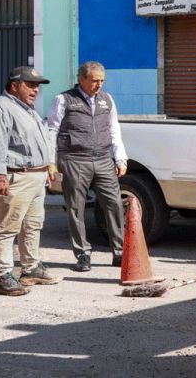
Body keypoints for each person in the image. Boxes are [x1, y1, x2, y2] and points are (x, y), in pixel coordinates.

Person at [0, 66, 62, 296]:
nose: (35, 90)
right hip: (13, 177)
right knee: (5, 228)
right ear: (14, 86)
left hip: (34, 177)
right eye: (30, 84)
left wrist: (48, 165)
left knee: (32, 225)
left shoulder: (28, 110)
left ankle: (31, 268)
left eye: (37, 86)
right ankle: (2, 275)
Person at [46, 61, 127, 272]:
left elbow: (114, 129)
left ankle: (119, 252)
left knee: (114, 204)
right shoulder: (63, 99)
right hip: (74, 159)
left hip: (102, 159)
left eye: (102, 81)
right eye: (94, 81)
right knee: (76, 208)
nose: (98, 85)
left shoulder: (107, 100)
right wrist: (51, 162)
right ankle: (82, 253)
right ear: (81, 79)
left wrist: (120, 158)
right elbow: (51, 130)